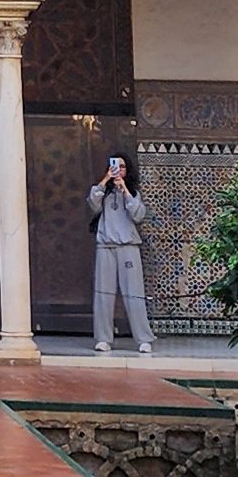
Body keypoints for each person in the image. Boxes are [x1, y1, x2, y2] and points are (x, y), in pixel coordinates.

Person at [90, 150, 155, 358]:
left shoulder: (133, 192)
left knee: (134, 293)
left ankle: (144, 339)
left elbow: (138, 214)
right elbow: (92, 203)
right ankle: (103, 338)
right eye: (115, 165)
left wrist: (124, 189)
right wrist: (107, 179)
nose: (119, 170)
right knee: (103, 294)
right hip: (106, 246)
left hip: (128, 246)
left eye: (122, 166)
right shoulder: (103, 192)